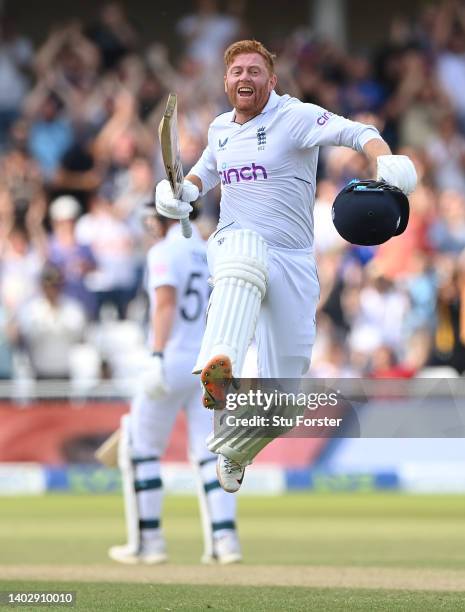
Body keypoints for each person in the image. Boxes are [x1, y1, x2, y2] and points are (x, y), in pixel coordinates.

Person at [155, 39, 417, 493]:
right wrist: (181, 193)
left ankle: (235, 448)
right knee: (242, 257)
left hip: (294, 260)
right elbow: (202, 173)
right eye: (237, 71)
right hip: (239, 241)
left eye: (255, 71)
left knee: (284, 405)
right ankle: (221, 366)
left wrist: (386, 159)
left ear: (271, 81)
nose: (245, 79)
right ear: (226, 80)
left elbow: (357, 132)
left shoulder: (293, 117)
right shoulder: (220, 129)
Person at [109, 204, 241, 565]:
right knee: (210, 455)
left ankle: (149, 541)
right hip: (208, 360)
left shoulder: (164, 251)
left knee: (142, 450)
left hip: (173, 359)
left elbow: (165, 305)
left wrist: (155, 355)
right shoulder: (209, 248)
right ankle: (225, 539)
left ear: (160, 215)